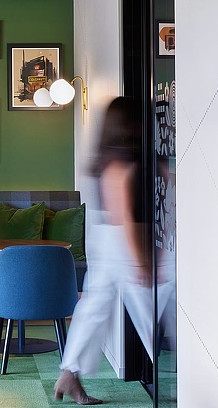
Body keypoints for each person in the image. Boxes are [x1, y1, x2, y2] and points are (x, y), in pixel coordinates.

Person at [54, 96, 172, 405]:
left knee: (96, 307)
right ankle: (181, 377)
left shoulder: (113, 157)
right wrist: (141, 261)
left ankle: (70, 372)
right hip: (124, 239)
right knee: (153, 306)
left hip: (105, 237)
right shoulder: (120, 161)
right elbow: (126, 218)